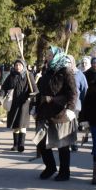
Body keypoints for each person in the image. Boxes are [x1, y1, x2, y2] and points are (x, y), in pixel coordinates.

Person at [33, 46, 78, 181]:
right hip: (44, 112)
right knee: (41, 142)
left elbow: (73, 93)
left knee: (62, 144)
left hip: (60, 113)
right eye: (47, 55)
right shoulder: (47, 70)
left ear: (57, 56)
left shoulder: (66, 71)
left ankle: (65, 172)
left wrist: (70, 108)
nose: (47, 57)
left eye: (50, 55)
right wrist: (35, 107)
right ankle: (50, 167)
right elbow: (40, 92)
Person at [0, 59, 33, 152]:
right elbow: (4, 88)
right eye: (16, 65)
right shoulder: (11, 76)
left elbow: (34, 89)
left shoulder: (28, 76)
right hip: (13, 103)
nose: (18, 67)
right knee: (15, 125)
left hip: (24, 104)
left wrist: (31, 95)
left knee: (22, 124)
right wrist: (0, 98)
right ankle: (15, 145)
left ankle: (21, 145)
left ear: (23, 66)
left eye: (20, 65)